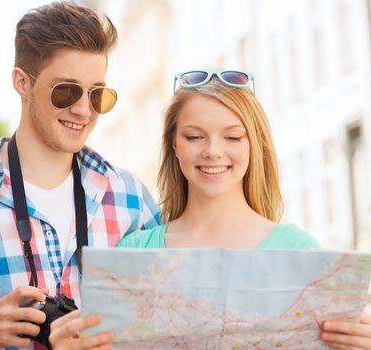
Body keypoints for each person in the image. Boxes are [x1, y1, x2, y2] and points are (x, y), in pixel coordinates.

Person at [0, 2, 159, 349]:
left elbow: (164, 313)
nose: (83, 110)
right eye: (65, 90)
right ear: (22, 82)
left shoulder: (131, 197)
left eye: (97, 94)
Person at [116, 69, 371, 350]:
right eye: (194, 137)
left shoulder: (300, 252)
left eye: (233, 137)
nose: (213, 151)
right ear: (174, 144)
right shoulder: (133, 254)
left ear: (253, 145)